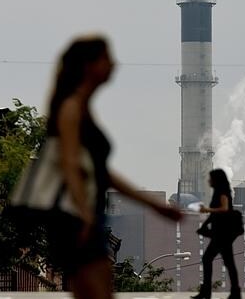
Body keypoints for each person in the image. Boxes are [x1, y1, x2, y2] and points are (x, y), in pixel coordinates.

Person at [45, 34, 182, 299]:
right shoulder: (71, 108)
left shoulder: (82, 108)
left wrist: (154, 205)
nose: (114, 64)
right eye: (107, 58)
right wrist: (83, 213)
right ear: (89, 65)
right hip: (78, 219)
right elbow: (70, 164)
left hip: (88, 216)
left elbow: (101, 173)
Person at [192, 169, 241, 299]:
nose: (208, 181)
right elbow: (214, 214)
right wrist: (204, 225)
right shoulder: (217, 193)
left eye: (211, 178)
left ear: (216, 180)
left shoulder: (223, 192)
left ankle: (208, 292)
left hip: (223, 233)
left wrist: (206, 209)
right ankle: (234, 292)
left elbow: (224, 209)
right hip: (220, 233)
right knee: (227, 262)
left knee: (210, 259)